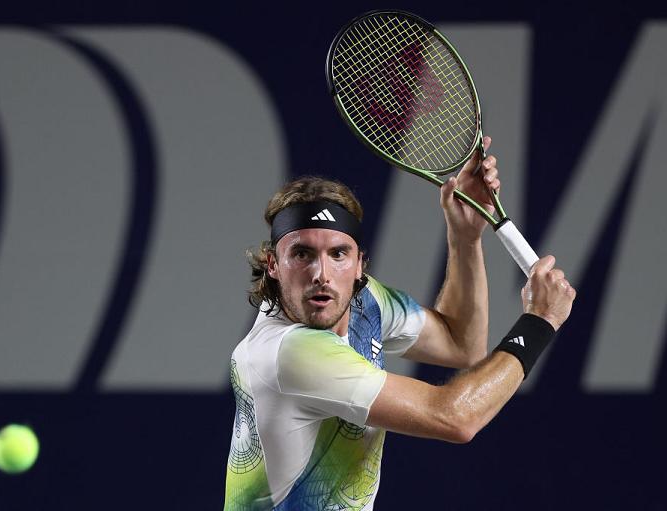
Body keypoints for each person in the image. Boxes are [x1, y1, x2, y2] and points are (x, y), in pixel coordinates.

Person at [223, 137, 576, 510]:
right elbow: (456, 418)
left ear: (359, 264)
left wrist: (465, 236)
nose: (321, 274)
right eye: (302, 254)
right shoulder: (288, 352)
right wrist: (539, 320)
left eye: (338, 254)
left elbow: (462, 345)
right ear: (273, 265)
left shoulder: (362, 300)